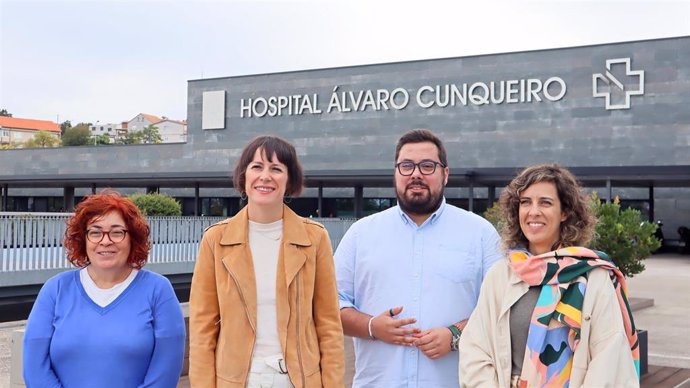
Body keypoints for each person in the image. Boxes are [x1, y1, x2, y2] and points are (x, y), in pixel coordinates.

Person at [335, 128, 503, 388]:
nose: (415, 174)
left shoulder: (480, 234)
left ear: (445, 174)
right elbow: (330, 305)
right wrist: (371, 326)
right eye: (406, 166)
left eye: (427, 166)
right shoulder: (360, 234)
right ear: (396, 172)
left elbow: (501, 308)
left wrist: (456, 334)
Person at [459, 164, 640, 388]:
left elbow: (608, 360)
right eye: (525, 202)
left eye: (545, 202)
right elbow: (475, 348)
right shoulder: (501, 275)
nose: (533, 211)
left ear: (565, 212)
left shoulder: (593, 277)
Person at [189, 135, 344, 388]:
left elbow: (329, 325)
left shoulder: (314, 238)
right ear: (244, 176)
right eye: (257, 167)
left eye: (276, 169)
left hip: (300, 379)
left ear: (289, 180)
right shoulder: (216, 240)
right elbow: (202, 328)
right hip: (236, 380)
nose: (265, 176)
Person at [23, 191, 186, 387]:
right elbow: (34, 367)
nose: (105, 240)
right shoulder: (55, 289)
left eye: (117, 232)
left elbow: (165, 372)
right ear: (83, 239)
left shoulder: (158, 290)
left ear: (132, 238)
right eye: (95, 232)